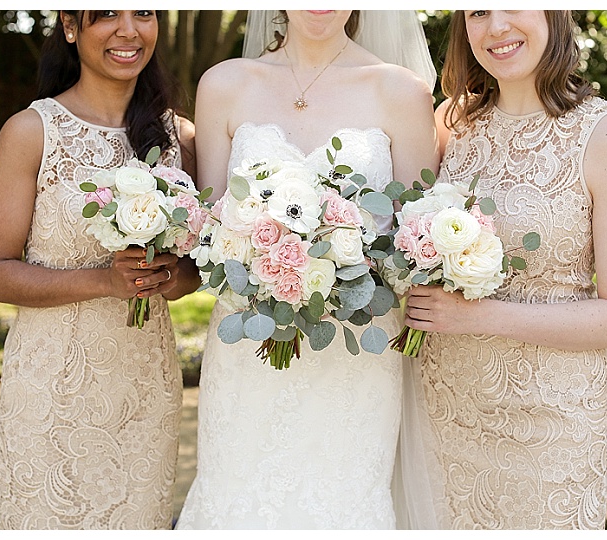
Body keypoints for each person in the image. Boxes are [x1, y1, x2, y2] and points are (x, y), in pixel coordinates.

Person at [176, 10, 445, 529]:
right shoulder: (224, 84)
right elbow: (212, 235)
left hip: (355, 360)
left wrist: (338, 264)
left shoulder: (402, 92)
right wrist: (263, 263)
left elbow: (414, 243)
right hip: (245, 356)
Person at [405, 10, 607, 529]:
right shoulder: (449, 123)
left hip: (551, 426)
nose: (496, 26)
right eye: (477, 11)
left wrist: (478, 317)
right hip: (444, 410)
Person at [0, 10, 198, 529]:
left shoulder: (180, 137)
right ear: (71, 27)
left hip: (143, 390)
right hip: (51, 388)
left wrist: (166, 277)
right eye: (106, 15)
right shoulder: (32, 131)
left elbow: (198, 272)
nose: (128, 30)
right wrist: (103, 280)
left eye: (144, 12)